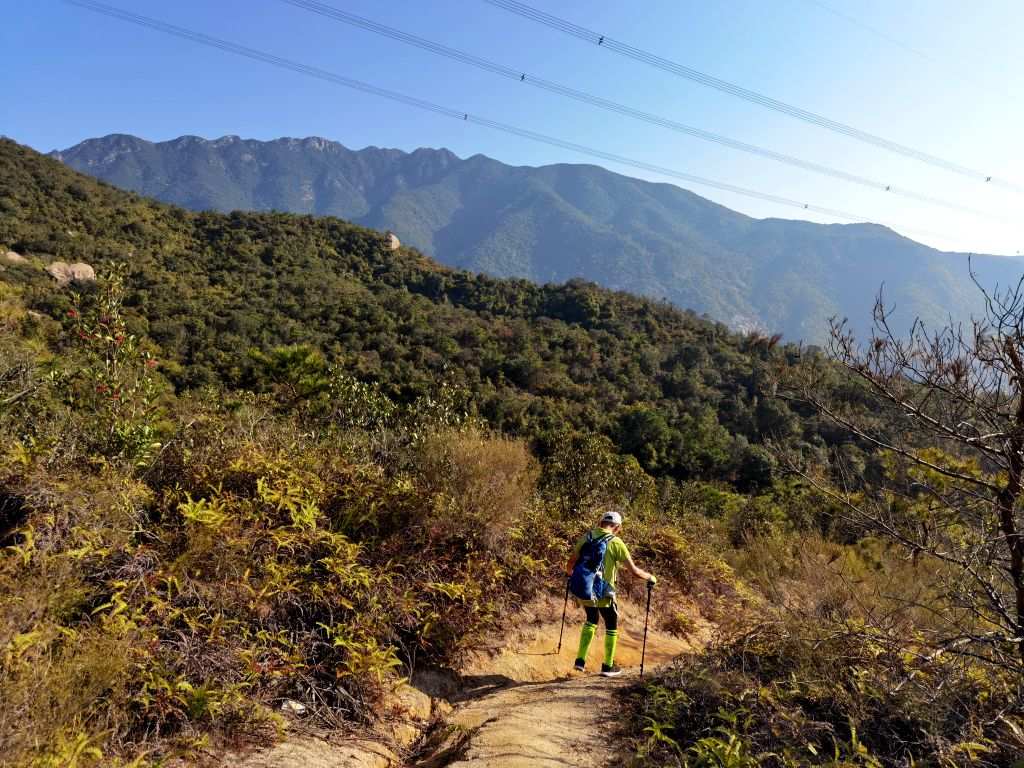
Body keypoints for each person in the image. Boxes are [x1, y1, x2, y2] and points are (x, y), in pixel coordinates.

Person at [565, 509, 656, 677]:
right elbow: (634, 571)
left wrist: (571, 575)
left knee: (591, 619)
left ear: (601, 523)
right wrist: (650, 577)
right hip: (605, 592)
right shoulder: (616, 542)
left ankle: (580, 661)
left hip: (586, 590)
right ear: (617, 527)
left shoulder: (587, 538)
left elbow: (571, 562)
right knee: (611, 624)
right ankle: (607, 666)